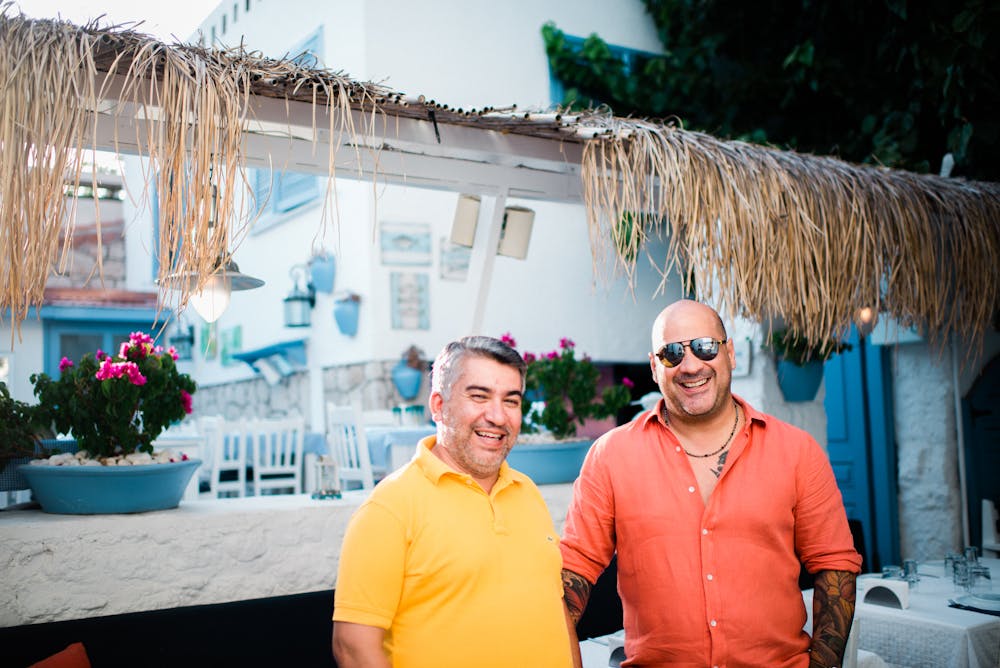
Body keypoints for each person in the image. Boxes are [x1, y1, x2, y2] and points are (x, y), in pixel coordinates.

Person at [560, 300, 861, 668]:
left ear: (729, 352)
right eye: (671, 354)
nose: (690, 365)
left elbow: (834, 565)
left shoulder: (797, 451)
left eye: (704, 346)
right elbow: (574, 569)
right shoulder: (610, 455)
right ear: (655, 368)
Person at [332, 336, 580, 668]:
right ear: (438, 405)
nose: (497, 416)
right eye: (479, 396)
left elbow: (556, 607)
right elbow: (353, 648)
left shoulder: (527, 492)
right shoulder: (390, 507)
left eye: (511, 400)